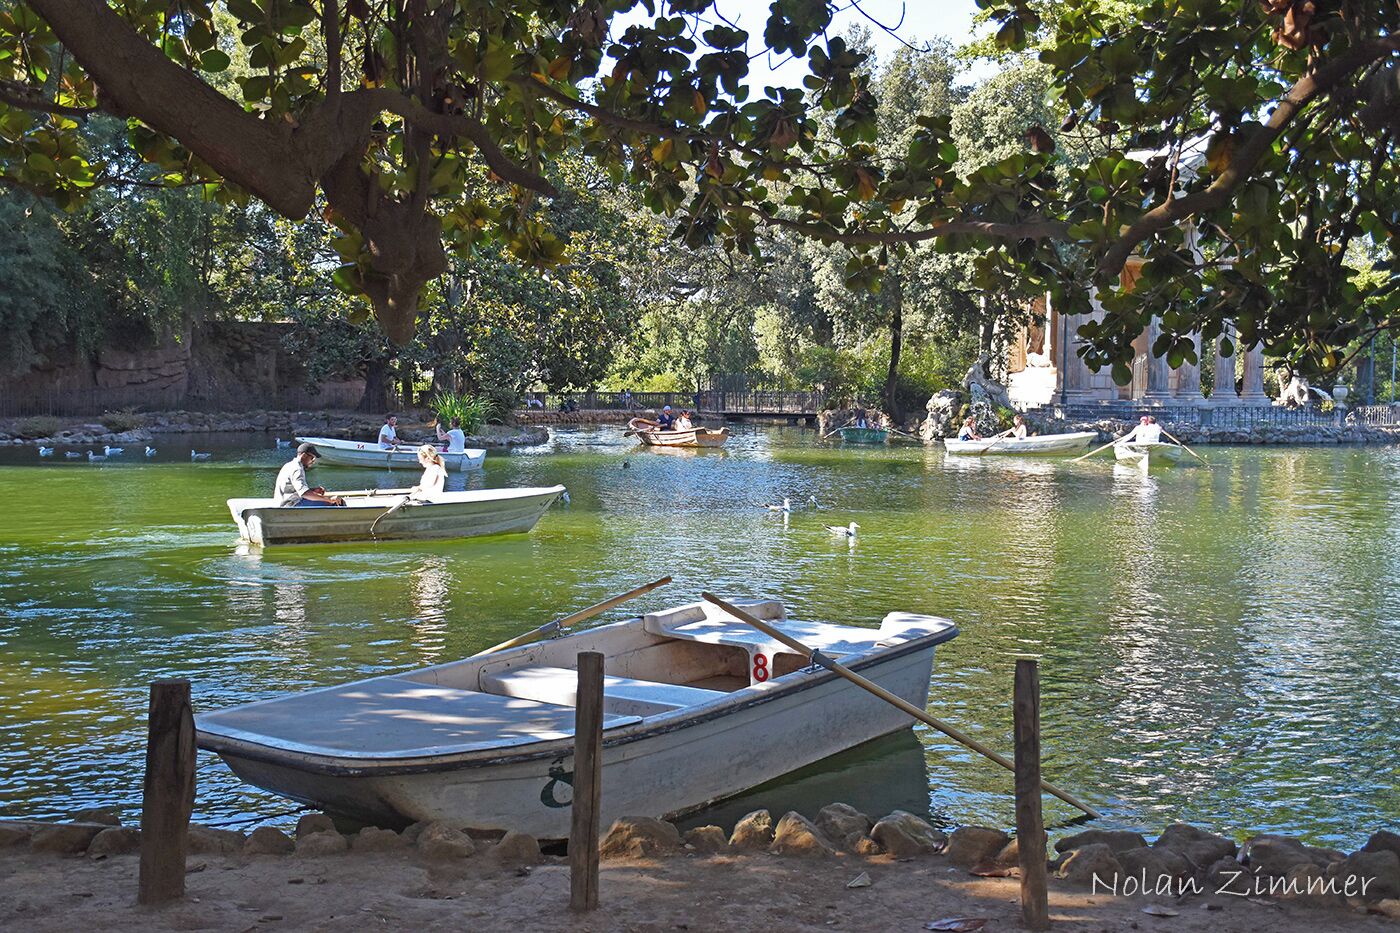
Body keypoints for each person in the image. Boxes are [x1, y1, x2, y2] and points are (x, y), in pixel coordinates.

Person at [275, 443, 346, 508]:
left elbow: (293, 490)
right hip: (290, 505)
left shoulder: (289, 465)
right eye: (312, 458)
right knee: (338, 503)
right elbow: (305, 494)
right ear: (304, 455)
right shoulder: (297, 469)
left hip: (285, 502)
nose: (313, 462)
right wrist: (329, 499)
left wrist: (313, 490)